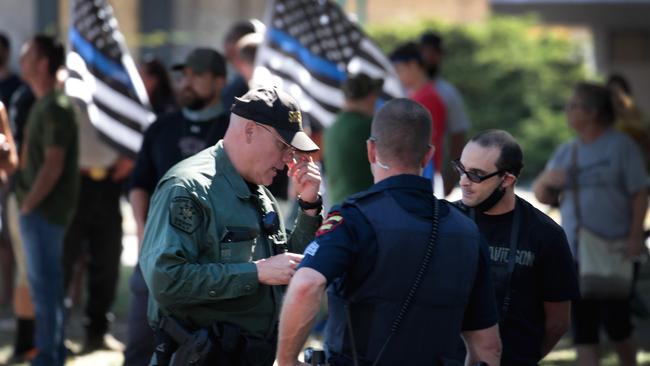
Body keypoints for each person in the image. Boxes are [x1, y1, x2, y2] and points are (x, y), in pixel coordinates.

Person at [277, 98, 501, 366]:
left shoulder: (352, 218)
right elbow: (488, 346)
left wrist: (287, 360)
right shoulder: (467, 231)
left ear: (371, 151)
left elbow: (305, 286)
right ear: (428, 155)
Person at [139, 86, 323, 366]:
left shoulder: (259, 192)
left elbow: (284, 271)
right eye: (283, 146)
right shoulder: (188, 188)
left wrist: (309, 207)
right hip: (202, 356)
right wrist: (255, 272)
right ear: (250, 131)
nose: (289, 161)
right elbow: (165, 280)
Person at [123, 48, 228, 366]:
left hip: (208, 259)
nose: (187, 82)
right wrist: (142, 230)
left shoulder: (232, 131)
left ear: (219, 82)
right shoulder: (161, 127)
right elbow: (139, 185)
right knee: (140, 345)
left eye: (198, 76)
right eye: (184, 76)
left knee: (200, 348)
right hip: (156, 251)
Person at [534, 82, 647, 366]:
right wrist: (546, 182)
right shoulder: (567, 151)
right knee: (583, 329)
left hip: (615, 251)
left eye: (573, 106)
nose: (567, 111)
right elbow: (542, 194)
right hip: (576, 254)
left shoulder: (622, 147)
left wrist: (635, 238)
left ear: (593, 113)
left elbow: (640, 193)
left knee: (617, 323)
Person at [454, 130, 579, 365]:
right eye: (460, 168)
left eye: (476, 175)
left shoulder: (546, 235)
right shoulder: (444, 222)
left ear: (507, 179)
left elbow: (558, 322)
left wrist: (522, 358)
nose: (463, 180)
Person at [15, 34, 79, 366]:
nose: (20, 58)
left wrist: (28, 204)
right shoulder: (44, 103)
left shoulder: (56, 105)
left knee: (46, 287)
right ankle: (50, 350)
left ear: (42, 63)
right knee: (45, 285)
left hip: (44, 212)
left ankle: (49, 354)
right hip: (38, 211)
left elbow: (53, 164)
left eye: (27, 54)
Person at [60, 95, 134, 353]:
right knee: (64, 262)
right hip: (74, 184)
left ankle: (98, 331)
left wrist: (131, 154)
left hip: (108, 183)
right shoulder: (70, 83)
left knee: (108, 260)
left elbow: (134, 125)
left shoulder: (113, 86)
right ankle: (57, 333)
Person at [389, 42, 447, 195]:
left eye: (399, 69)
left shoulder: (426, 98)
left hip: (422, 171)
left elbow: (425, 143)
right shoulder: (420, 95)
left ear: (413, 65)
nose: (397, 75)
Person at [419, 31, 472, 196]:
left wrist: (452, 175)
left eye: (433, 52)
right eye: (424, 51)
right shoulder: (401, 88)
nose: (428, 57)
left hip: (433, 171)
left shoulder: (447, 93)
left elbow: (458, 136)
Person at [324, 72, 382, 206]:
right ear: (369, 97)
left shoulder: (331, 129)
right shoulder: (370, 126)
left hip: (337, 210)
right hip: (364, 211)